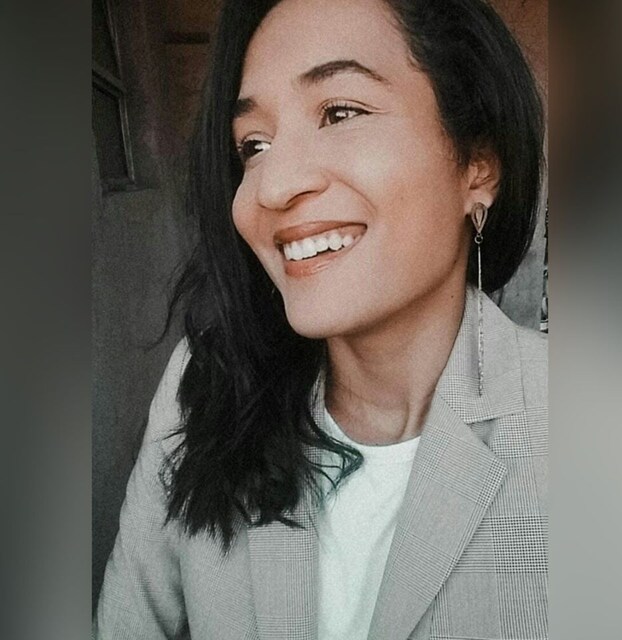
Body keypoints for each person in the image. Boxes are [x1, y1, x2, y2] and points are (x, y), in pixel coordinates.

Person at [96, 0, 546, 638]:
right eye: (253, 146)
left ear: (478, 166)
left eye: (340, 113)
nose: (273, 186)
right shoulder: (208, 382)